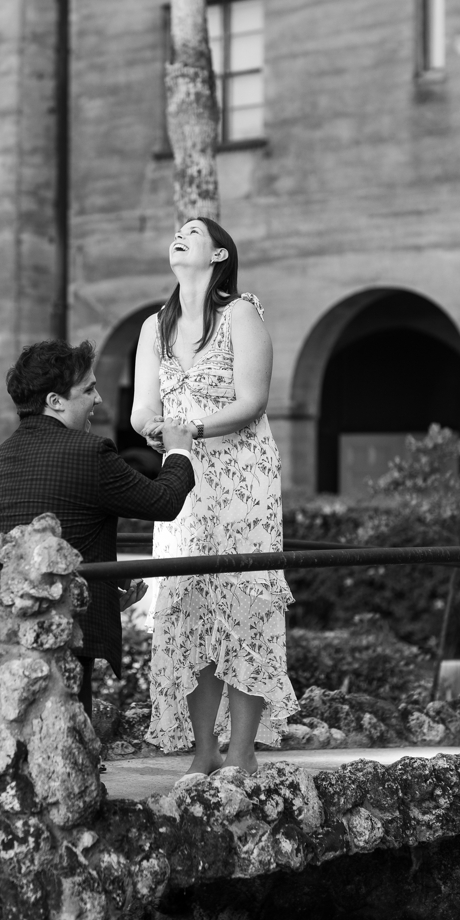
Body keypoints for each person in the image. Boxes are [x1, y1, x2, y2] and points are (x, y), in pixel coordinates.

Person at [0, 339, 199, 718]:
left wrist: (101, 599)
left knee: (8, 741)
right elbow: (163, 502)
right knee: (62, 754)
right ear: (55, 401)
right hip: (59, 633)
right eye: (88, 389)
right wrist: (179, 450)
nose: (98, 399)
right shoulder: (89, 453)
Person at [131, 216, 299, 775]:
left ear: (220, 254)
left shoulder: (240, 314)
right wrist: (157, 429)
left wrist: (191, 429)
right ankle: (204, 750)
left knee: (245, 601)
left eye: (194, 232)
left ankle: (243, 752)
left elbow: (252, 400)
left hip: (243, 479)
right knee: (192, 605)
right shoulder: (153, 328)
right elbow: (139, 410)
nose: (179, 235)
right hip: (184, 482)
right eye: (177, 230)